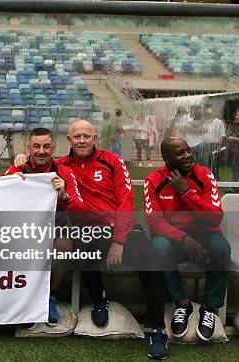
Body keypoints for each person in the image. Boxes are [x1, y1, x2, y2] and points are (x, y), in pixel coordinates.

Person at [14, 119, 169, 359]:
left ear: (95, 138)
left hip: (121, 229)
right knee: (83, 242)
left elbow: (127, 201)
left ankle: (157, 329)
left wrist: (118, 241)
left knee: (150, 260)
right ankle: (99, 298)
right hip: (87, 229)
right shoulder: (62, 165)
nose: (82, 140)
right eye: (77, 137)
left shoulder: (113, 161)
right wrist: (21, 159)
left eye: (86, 136)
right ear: (68, 140)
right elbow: (35, 168)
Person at [144, 137, 230, 342]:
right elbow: (154, 222)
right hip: (174, 238)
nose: (188, 156)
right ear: (166, 157)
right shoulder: (153, 181)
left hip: (206, 234)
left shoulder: (204, 175)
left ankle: (209, 308)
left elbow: (215, 217)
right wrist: (184, 239)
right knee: (159, 246)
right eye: (180, 153)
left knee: (221, 248)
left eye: (188, 150)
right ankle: (181, 304)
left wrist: (186, 192)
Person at [5, 128, 87, 326]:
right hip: (21, 229)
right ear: (29, 148)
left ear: (53, 148)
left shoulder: (64, 172)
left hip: (53, 228)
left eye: (46, 146)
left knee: (65, 247)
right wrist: (12, 185)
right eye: (36, 146)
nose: (41, 151)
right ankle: (23, 300)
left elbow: (80, 208)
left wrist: (64, 195)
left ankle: (48, 296)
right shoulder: (18, 169)